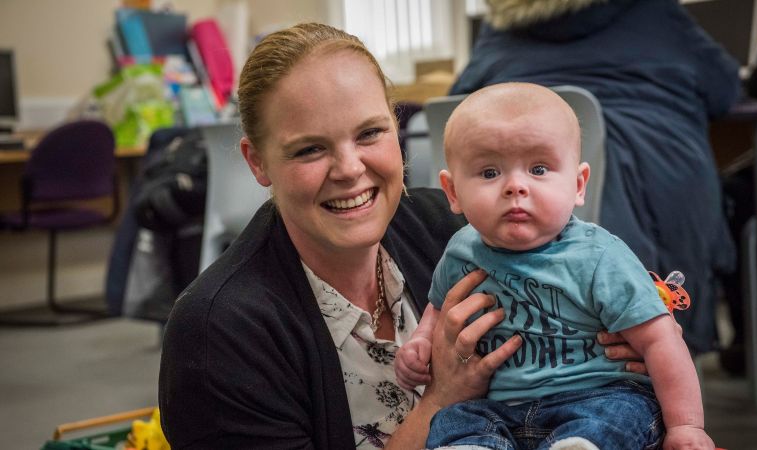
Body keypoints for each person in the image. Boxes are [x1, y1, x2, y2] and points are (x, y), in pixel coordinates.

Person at [158, 23, 658, 449]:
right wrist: (440, 400)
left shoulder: (447, 227)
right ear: (258, 161)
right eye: (310, 149)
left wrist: (630, 338)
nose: (350, 169)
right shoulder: (218, 334)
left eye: (370, 133)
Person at [396, 83, 711, 449]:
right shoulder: (460, 250)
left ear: (578, 185)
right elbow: (438, 306)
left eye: (539, 168)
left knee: (624, 412)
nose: (515, 186)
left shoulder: (599, 257)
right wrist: (419, 342)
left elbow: (662, 339)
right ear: (452, 192)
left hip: (593, 396)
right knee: (452, 420)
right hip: (494, 409)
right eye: (489, 173)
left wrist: (687, 426)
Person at [450, 0, 741, 354]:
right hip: (660, 187)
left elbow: (454, 107)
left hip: (500, 322)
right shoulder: (654, 12)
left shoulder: (500, 31)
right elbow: (725, 89)